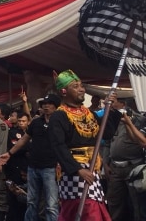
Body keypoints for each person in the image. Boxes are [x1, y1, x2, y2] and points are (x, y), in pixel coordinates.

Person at [48, 70, 111, 221]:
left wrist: (111, 108)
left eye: (81, 85)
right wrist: (77, 169)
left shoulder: (88, 114)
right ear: (64, 91)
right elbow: (58, 146)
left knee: (95, 204)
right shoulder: (59, 116)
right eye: (76, 86)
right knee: (86, 209)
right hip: (74, 172)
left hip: (92, 168)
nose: (82, 89)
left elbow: (106, 133)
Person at [1, 94, 61, 221]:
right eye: (43, 103)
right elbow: (24, 139)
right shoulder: (36, 122)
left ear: (56, 105)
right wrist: (9, 153)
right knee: (31, 202)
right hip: (33, 167)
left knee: (51, 205)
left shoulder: (61, 122)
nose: (45, 106)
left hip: (51, 168)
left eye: (49, 103)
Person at [105, 96, 146, 221]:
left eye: (113, 102)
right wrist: (106, 164)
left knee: (137, 204)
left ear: (123, 104)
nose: (110, 105)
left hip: (134, 167)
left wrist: (129, 123)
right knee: (114, 202)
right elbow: (135, 138)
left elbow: (143, 142)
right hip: (116, 167)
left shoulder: (140, 120)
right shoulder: (112, 120)